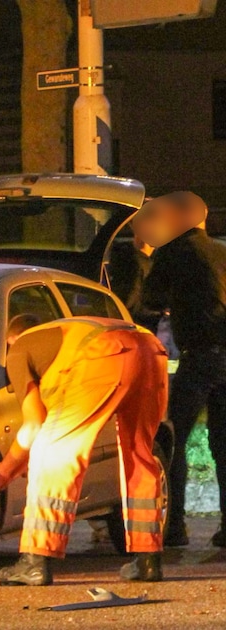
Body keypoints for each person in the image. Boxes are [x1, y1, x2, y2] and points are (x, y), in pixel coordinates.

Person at [0, 314, 168, 586]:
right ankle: (148, 560)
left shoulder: (20, 346)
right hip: (151, 351)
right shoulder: (65, 331)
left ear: (11, 340)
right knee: (139, 455)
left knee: (53, 454)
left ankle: (35, 561)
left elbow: (34, 425)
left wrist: (3, 472)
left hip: (103, 354)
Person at [138, 191, 226, 548]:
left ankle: (174, 525)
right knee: (223, 444)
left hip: (200, 356)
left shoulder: (172, 253)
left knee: (172, 437)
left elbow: (149, 304)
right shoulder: (222, 250)